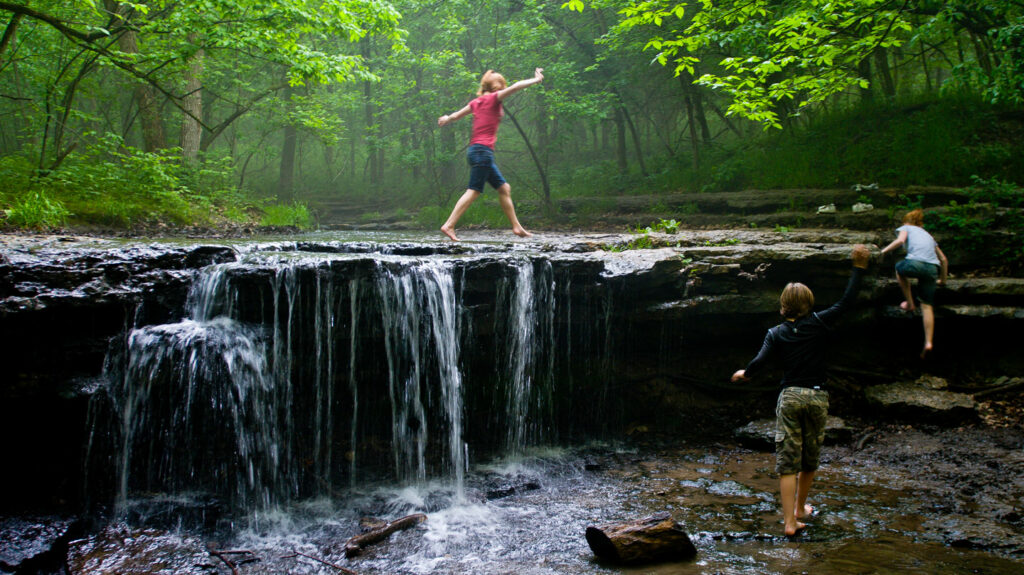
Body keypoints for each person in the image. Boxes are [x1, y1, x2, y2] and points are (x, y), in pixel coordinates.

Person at [732, 245, 870, 536]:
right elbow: (847, 302)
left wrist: (745, 373)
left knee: (787, 463)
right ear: (810, 304)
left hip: (790, 396)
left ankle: (789, 522)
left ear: (783, 305)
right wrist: (858, 268)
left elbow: (760, 361)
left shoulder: (775, 333)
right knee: (809, 458)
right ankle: (799, 508)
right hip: (817, 396)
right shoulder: (819, 323)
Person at [437, 68, 544, 241]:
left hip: (475, 151)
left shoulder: (476, 102)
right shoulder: (494, 98)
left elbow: (456, 116)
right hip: (483, 152)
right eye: (501, 84)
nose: (503, 87)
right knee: (473, 190)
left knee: (504, 188)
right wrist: (536, 80)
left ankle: (516, 226)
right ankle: (449, 224)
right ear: (497, 87)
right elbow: (517, 86)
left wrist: (447, 118)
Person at [879, 209, 949, 358]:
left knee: (899, 269)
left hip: (914, 265)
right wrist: (942, 280)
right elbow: (943, 259)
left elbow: (900, 241)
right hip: (932, 269)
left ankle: (910, 303)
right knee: (927, 305)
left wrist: (882, 252)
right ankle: (928, 342)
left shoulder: (906, 228)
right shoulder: (929, 236)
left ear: (906, 221)